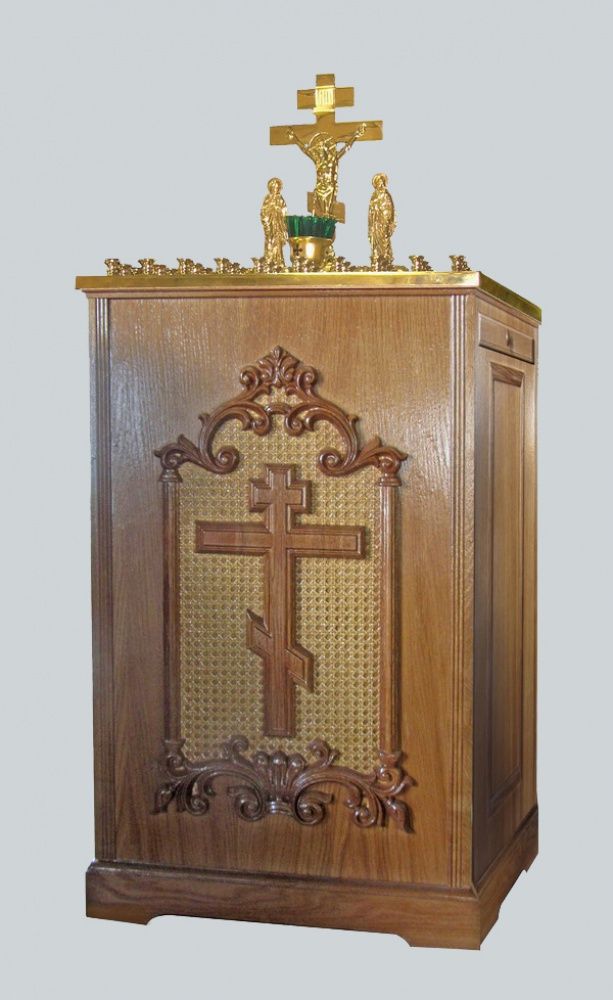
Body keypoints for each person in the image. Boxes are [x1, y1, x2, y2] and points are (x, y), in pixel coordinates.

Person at [368, 172, 396, 269]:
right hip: (375, 222)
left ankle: (385, 258)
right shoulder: (374, 196)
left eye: (381, 182)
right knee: (376, 241)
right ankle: (376, 257)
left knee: (384, 240)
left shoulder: (386, 195)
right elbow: (371, 210)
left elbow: (389, 208)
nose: (380, 184)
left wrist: (388, 220)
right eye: (378, 182)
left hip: (383, 222)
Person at [260, 177, 287, 269]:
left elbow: (284, 210)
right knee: (270, 241)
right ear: (271, 188)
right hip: (270, 224)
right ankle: (269, 261)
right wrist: (270, 209)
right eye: (274, 188)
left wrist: (278, 210)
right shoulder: (268, 198)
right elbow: (264, 212)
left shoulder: (280, 198)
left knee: (278, 242)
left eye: (278, 188)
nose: (276, 189)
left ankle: (279, 261)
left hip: (278, 224)